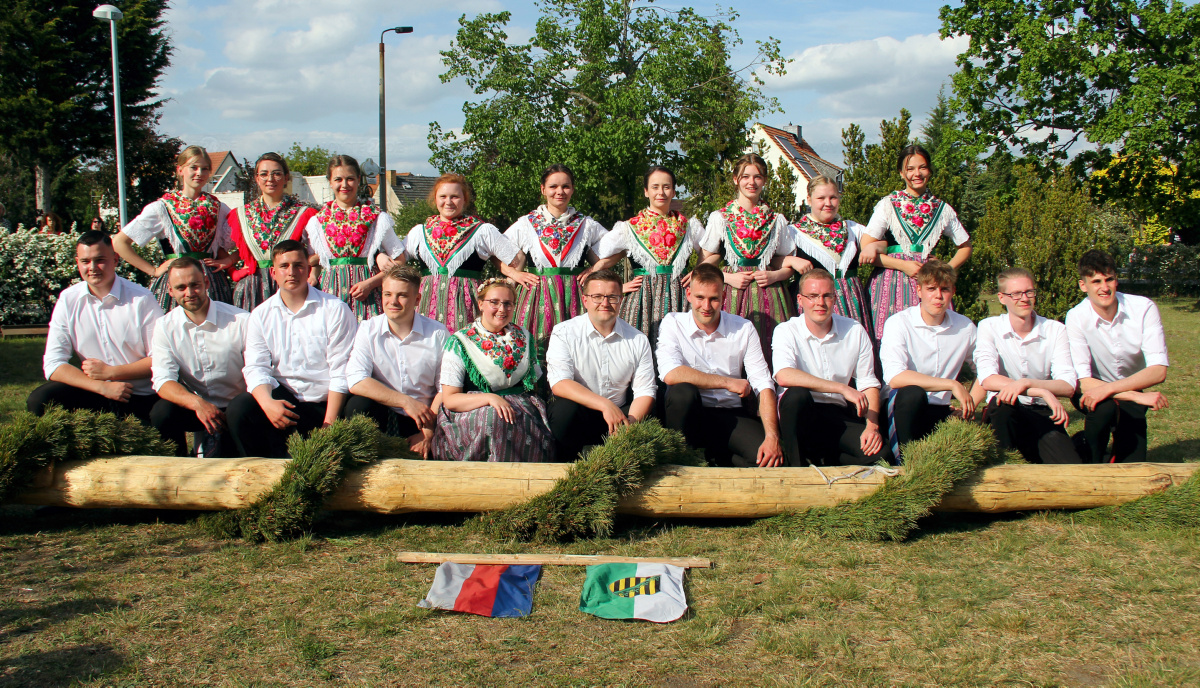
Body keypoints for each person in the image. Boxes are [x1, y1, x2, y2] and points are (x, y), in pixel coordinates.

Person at [226, 240, 358, 458]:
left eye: (298, 265)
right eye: (284, 266)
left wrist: (329, 425)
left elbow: (341, 370)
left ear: (308, 269)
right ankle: (257, 472)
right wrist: (267, 404)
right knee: (240, 408)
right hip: (284, 403)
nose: (292, 272)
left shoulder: (335, 310)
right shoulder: (261, 314)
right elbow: (255, 367)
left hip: (325, 405)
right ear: (273, 272)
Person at [27, 231, 164, 422]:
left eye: (100, 260)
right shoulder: (68, 300)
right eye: (85, 261)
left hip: (140, 394)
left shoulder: (141, 299)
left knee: (165, 416)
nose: (92, 268)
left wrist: (112, 373)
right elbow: (53, 364)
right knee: (41, 399)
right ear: (77, 262)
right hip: (96, 390)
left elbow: (161, 358)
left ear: (115, 259)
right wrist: (103, 387)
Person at [656, 263, 783, 467]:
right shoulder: (673, 322)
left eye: (714, 299)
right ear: (688, 294)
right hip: (689, 414)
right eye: (700, 298)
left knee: (766, 460)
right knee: (682, 391)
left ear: (723, 297)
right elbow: (670, 373)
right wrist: (727, 383)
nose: (706, 306)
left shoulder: (743, 328)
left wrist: (772, 437)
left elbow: (763, 383)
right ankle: (677, 458)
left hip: (729, 414)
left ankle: (715, 455)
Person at [431, 278, 555, 462]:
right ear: (480, 304)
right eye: (494, 302)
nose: (502, 309)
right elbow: (450, 399)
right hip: (472, 411)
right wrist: (489, 398)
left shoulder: (523, 337)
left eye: (507, 303)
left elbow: (533, 385)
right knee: (494, 418)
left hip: (520, 408)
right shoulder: (460, 341)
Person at [859, 144, 972, 345]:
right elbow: (867, 248)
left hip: (928, 280)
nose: (916, 174)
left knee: (929, 337)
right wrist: (903, 265)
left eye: (922, 167)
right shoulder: (889, 204)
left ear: (929, 170)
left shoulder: (941, 208)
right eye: (910, 169)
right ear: (901, 173)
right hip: (891, 281)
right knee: (891, 337)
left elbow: (965, 247)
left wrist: (945, 270)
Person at [774, 269, 889, 466]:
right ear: (800, 300)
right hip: (800, 414)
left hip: (837, 413)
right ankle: (797, 469)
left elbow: (868, 383)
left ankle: (823, 458)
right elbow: (784, 375)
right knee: (796, 396)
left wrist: (872, 426)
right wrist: (841, 387)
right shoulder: (786, 330)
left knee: (881, 453)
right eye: (813, 296)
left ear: (835, 298)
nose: (820, 302)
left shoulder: (854, 330)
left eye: (826, 295)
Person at [1065, 249, 1169, 463]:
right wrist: (1137, 397)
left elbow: (1158, 370)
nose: (1104, 287)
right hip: (1092, 388)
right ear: (1083, 285)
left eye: (1109, 279)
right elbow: (1083, 382)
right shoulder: (1076, 317)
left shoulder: (1144, 308)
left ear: (1116, 280)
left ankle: (1099, 447)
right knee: (1104, 408)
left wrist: (1119, 391)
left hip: (1129, 386)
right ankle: (1090, 454)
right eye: (1096, 281)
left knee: (1132, 463)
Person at [501, 164, 620, 350]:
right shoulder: (526, 224)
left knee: (576, 348)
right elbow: (496, 250)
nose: (560, 191)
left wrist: (594, 269)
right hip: (537, 296)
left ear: (572, 189)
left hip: (573, 296)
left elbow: (619, 247)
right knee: (536, 350)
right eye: (553, 186)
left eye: (565, 186)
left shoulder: (586, 225)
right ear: (543, 189)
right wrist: (515, 274)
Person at [545, 269, 656, 461]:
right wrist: (604, 405)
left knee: (653, 413)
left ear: (621, 300)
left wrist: (630, 422)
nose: (605, 303)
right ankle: (563, 465)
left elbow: (645, 390)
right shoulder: (564, 332)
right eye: (597, 296)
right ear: (585, 299)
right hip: (579, 415)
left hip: (621, 418)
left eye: (612, 297)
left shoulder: (637, 339)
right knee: (563, 410)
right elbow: (560, 383)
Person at [974, 267, 1079, 464]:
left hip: (1041, 412)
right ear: (1002, 297)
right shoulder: (988, 327)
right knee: (1003, 402)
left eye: (1029, 292)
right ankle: (1002, 463)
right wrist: (1042, 392)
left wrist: (1027, 384)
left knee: (1068, 468)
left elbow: (1068, 385)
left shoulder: (1055, 330)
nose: (1024, 298)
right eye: (1015, 294)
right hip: (1005, 413)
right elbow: (987, 378)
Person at [148, 257, 250, 457]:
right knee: (162, 412)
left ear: (206, 282)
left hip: (239, 407)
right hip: (198, 408)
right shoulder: (165, 327)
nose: (189, 293)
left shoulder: (241, 321)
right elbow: (163, 381)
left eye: (195, 285)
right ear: (170, 291)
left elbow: (258, 372)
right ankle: (176, 469)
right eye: (181, 287)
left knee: (241, 408)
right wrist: (197, 404)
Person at [114, 145, 235, 311]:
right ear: (180, 170)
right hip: (176, 281)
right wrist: (154, 270)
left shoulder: (219, 208)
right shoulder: (161, 207)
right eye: (193, 167)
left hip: (211, 282)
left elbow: (240, 242)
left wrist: (228, 260)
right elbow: (120, 242)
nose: (199, 173)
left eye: (205, 169)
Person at [344, 264, 448, 458]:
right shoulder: (368, 329)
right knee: (356, 405)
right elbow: (356, 380)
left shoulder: (437, 333)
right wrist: (405, 401)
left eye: (402, 295)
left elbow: (445, 387)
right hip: (383, 412)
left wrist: (427, 433)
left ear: (417, 299)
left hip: (425, 417)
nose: (393, 302)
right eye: (387, 294)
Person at [700, 153, 797, 357]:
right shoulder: (720, 218)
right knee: (730, 345)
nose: (751, 182)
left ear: (764, 180)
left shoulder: (776, 220)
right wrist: (727, 278)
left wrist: (773, 275)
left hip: (769, 291)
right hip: (731, 290)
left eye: (757, 177)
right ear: (736, 180)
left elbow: (788, 265)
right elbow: (703, 267)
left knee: (768, 347)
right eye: (745, 177)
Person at [597, 166, 705, 347]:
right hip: (642, 300)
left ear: (673, 190)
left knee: (681, 348)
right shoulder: (629, 228)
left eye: (666, 187)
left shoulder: (688, 226)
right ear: (646, 191)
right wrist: (618, 288)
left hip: (679, 296)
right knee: (639, 348)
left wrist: (697, 273)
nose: (661, 192)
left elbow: (709, 252)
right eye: (655, 187)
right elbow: (602, 257)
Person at [879, 260, 977, 455]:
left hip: (941, 409)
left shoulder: (965, 327)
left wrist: (970, 402)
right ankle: (906, 461)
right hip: (902, 406)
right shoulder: (899, 323)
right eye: (931, 289)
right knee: (913, 393)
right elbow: (895, 377)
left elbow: (986, 370)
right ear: (919, 290)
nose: (938, 296)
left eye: (945, 289)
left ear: (953, 292)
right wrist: (951, 384)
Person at [405, 173, 521, 332]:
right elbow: (398, 259)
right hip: (427, 303)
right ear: (435, 199)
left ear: (464, 199)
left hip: (466, 305)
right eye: (443, 196)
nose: (448, 202)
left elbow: (517, 259)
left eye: (454, 197)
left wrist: (506, 289)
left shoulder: (481, 231)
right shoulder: (419, 232)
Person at [305, 155, 403, 321]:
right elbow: (312, 260)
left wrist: (371, 283)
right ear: (330, 182)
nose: (344, 185)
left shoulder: (376, 218)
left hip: (368, 297)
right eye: (338, 179)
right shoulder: (317, 222)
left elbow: (400, 260)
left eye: (350, 179)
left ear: (358, 180)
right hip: (330, 294)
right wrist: (313, 275)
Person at [781, 175, 874, 339]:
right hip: (814, 301)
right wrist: (791, 260)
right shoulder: (793, 232)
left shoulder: (853, 229)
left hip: (851, 298)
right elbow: (773, 260)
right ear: (809, 199)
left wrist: (871, 247)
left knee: (850, 342)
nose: (828, 203)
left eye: (833, 197)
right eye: (821, 198)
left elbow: (879, 241)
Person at [229, 152, 319, 311]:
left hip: (289, 282)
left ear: (286, 178)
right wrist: (231, 267)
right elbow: (229, 248)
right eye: (264, 174)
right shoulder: (241, 214)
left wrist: (302, 267)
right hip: (253, 286)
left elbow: (319, 252)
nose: (270, 179)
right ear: (257, 178)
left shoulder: (303, 214)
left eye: (276, 174)